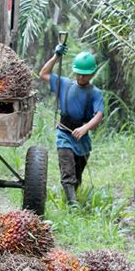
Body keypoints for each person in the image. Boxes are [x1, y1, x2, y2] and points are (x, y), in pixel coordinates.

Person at [39, 46, 104, 205]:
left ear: (92, 73)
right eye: (78, 73)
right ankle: (73, 206)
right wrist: (56, 56)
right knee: (68, 173)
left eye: (85, 74)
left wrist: (84, 128)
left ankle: (72, 196)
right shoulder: (65, 83)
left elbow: (99, 115)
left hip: (81, 138)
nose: (81, 77)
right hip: (64, 134)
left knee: (77, 175)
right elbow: (43, 74)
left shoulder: (95, 93)